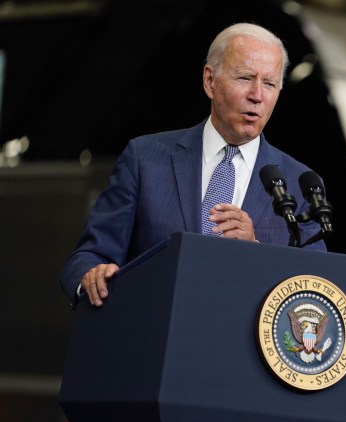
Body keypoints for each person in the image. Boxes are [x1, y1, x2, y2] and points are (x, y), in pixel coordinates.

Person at [60, 23, 326, 309]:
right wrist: (91, 276)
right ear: (210, 81)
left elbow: (316, 289)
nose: (257, 95)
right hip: (156, 337)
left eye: (270, 84)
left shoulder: (300, 184)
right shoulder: (145, 159)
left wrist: (256, 252)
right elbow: (88, 256)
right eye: (245, 77)